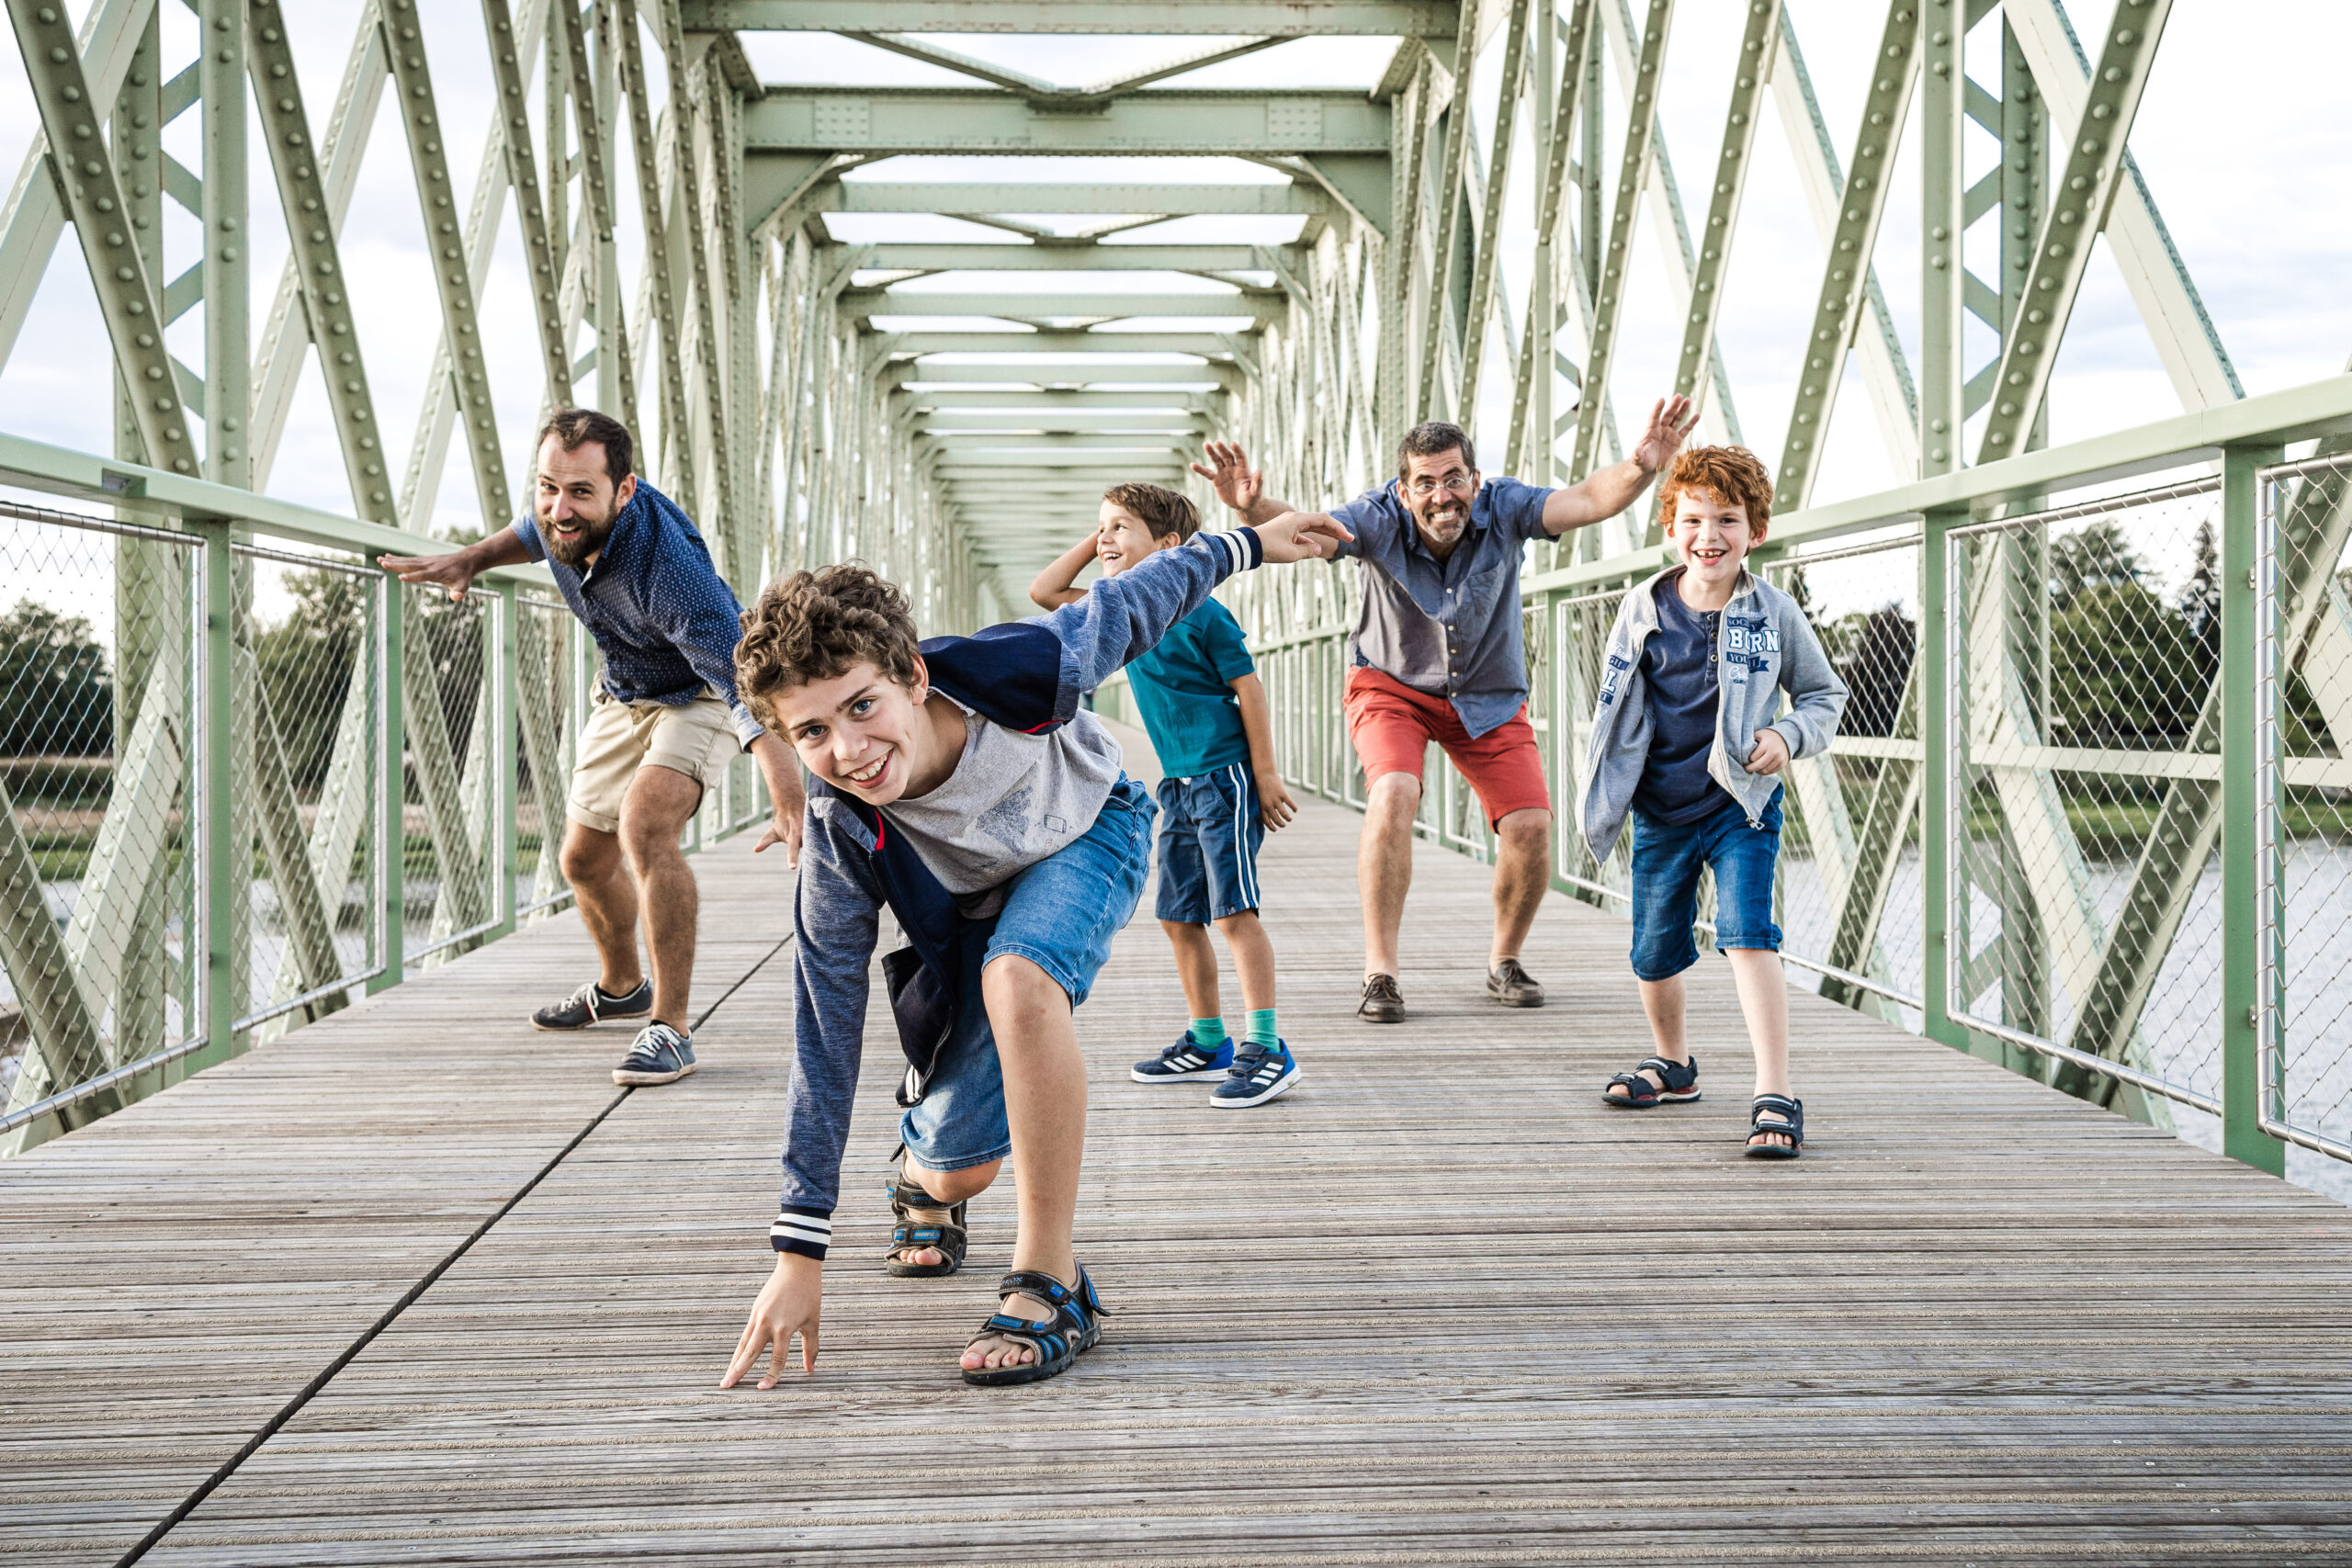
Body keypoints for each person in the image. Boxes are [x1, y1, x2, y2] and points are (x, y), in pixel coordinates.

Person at [720, 512, 1347, 1392]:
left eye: (862, 705)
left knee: (1021, 978)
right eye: (812, 733)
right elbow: (824, 1027)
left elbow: (1142, 597)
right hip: (970, 914)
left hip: (1092, 832)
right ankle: (919, 1171)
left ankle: (1051, 1282)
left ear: (912, 674)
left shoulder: (1019, 667)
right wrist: (799, 1247)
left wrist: (1248, 541)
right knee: (957, 1165)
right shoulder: (839, 826)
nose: (850, 749)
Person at [1194, 400, 1698, 1023]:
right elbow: (1308, 531)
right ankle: (1381, 972)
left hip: (1486, 696)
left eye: (1454, 478)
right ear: (1404, 491)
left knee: (1532, 827)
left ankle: (1504, 960)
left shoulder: (1507, 507)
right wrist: (1248, 509)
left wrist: (1642, 466)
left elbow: (1588, 499)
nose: (1442, 495)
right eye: (1426, 483)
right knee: (1394, 793)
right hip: (1391, 687)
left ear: (1475, 481)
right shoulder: (1376, 518)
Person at [378, 409, 804, 1089]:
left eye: (579, 492)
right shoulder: (559, 520)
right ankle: (623, 984)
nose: (559, 507)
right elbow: (529, 532)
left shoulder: (671, 573)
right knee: (582, 858)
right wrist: (472, 557)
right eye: (548, 486)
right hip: (625, 688)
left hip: (704, 690)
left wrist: (789, 793)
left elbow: (742, 686)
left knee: (646, 826)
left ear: (624, 491)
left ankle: (670, 1025)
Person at [1578, 446, 1847, 1158]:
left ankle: (1774, 1090)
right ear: (1671, 526)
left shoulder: (1774, 611)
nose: (1710, 535)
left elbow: (1825, 696)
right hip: (1661, 806)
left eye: (1728, 519)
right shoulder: (1642, 607)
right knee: (1654, 950)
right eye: (1694, 518)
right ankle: (1674, 1064)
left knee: (1746, 932)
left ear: (1755, 530)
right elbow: (1612, 706)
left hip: (1741, 805)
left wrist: (1787, 736)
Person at [1028, 483, 1302, 1110]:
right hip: (1176, 782)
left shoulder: (1202, 610)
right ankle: (1210, 1040)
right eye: (1102, 528)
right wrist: (1099, 539)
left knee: (1234, 911)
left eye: (1121, 527)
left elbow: (1248, 688)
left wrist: (1266, 775)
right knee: (1179, 918)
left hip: (1223, 773)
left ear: (1173, 547)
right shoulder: (1118, 610)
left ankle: (1268, 1044)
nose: (1105, 539)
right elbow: (1044, 593)